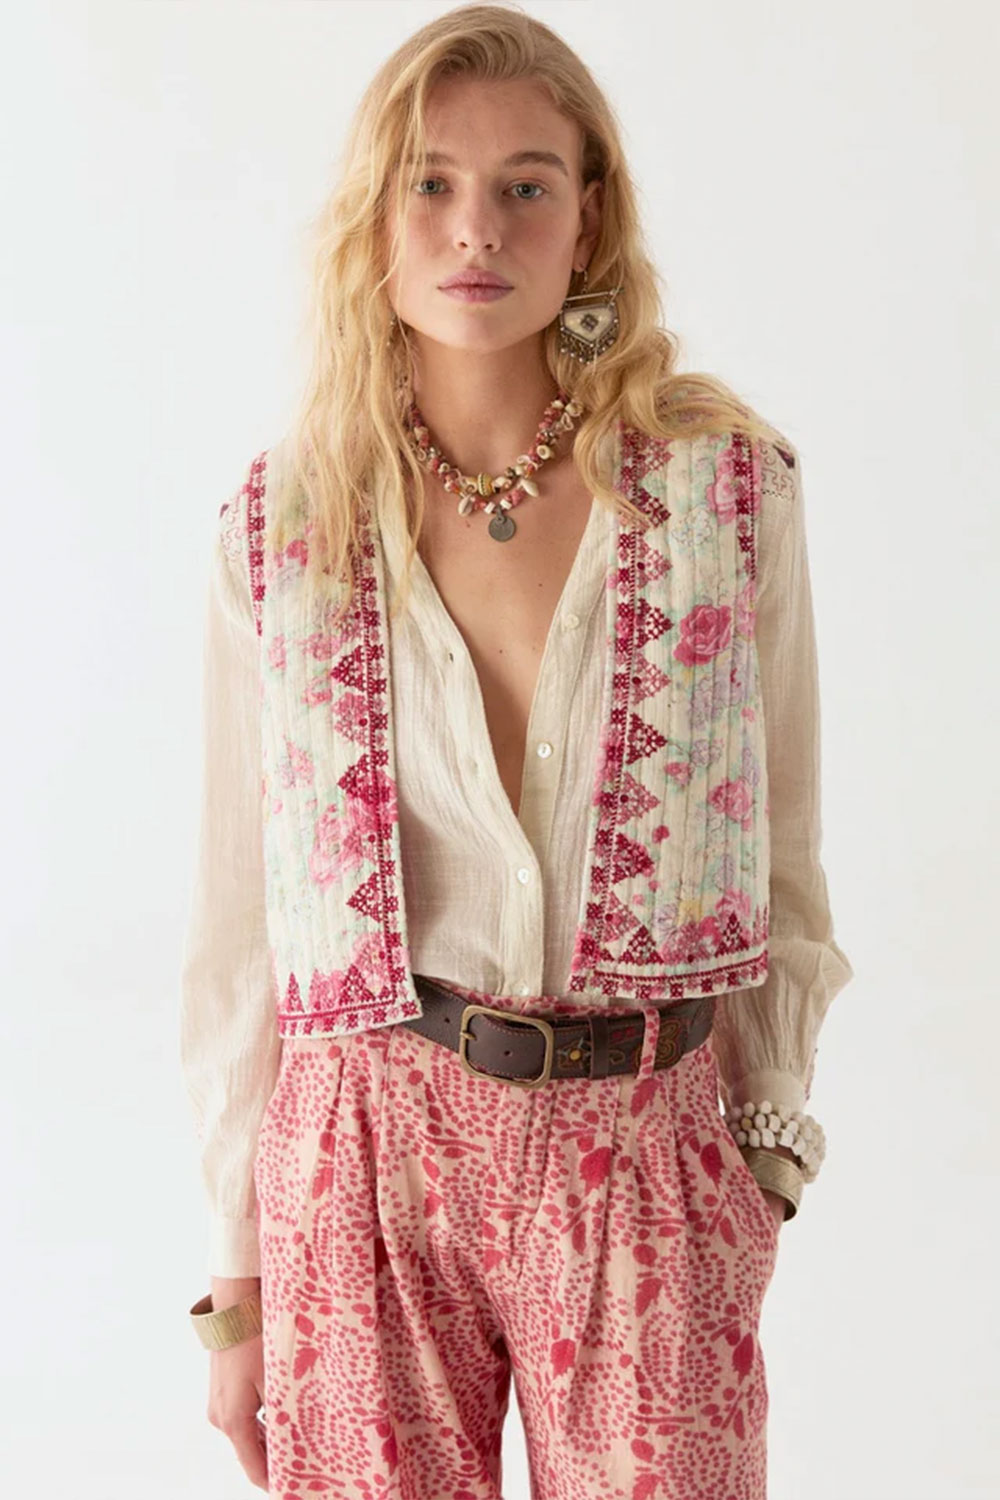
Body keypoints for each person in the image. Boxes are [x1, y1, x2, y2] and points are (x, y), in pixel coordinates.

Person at [179, 6, 854, 1496]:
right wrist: (237, 1278)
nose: (475, 227)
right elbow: (239, 924)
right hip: (364, 1138)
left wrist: (762, 1155)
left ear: (588, 215)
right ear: (376, 216)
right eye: (429, 182)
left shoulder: (725, 490)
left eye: (524, 184)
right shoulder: (285, 522)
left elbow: (787, 851)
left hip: (649, 1130)